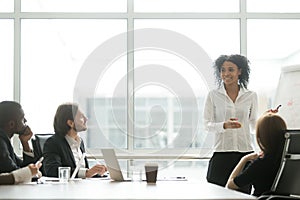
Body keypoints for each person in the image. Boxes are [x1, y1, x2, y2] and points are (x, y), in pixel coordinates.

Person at [204, 54, 258, 193]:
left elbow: (253, 123)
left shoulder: (251, 96)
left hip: (245, 153)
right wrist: (224, 125)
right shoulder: (213, 95)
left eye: (230, 69)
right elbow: (207, 124)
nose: (226, 74)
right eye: (222, 70)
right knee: (216, 193)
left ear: (240, 71)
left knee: (243, 195)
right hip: (222, 154)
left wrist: (267, 119)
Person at [226, 112, 287, 196]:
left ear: (260, 137)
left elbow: (230, 185)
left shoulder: (261, 164)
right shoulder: (290, 162)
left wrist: (244, 159)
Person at [43, 103, 107, 178]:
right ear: (71, 123)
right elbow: (52, 171)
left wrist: (97, 173)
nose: (86, 119)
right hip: (65, 188)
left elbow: (84, 173)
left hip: (82, 186)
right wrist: (87, 173)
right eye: (81, 117)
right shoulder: (53, 143)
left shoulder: (80, 142)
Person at [0, 101, 39, 173]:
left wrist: (25, 143)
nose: (25, 120)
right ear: (11, 124)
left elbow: (23, 168)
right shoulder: (1, 141)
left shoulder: (4, 140)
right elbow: (13, 172)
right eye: (22, 118)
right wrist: (32, 173)